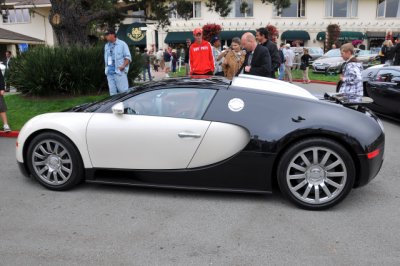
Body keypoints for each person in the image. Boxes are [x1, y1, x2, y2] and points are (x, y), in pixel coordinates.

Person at [104, 29, 131, 96]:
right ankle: (114, 106)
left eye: (107, 35)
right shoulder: (106, 46)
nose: (106, 36)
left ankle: (126, 106)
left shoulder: (122, 44)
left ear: (113, 35)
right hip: (109, 72)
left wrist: (123, 66)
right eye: (106, 35)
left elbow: (128, 57)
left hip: (119, 72)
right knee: (112, 94)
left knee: (124, 92)